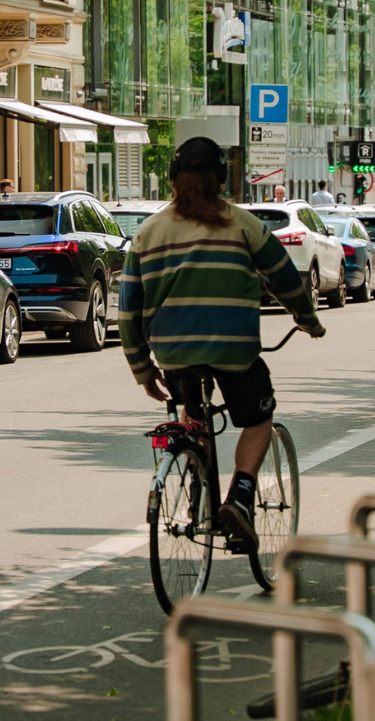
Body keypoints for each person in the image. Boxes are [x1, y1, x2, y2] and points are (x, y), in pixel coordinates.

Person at [118, 137, 325, 552]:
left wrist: (143, 369)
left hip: (174, 353)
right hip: (235, 350)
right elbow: (285, 278)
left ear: (173, 178)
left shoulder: (147, 233)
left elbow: (128, 309)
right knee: (259, 417)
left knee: (194, 417)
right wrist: (307, 320)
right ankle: (241, 496)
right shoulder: (244, 224)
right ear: (221, 178)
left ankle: (198, 490)